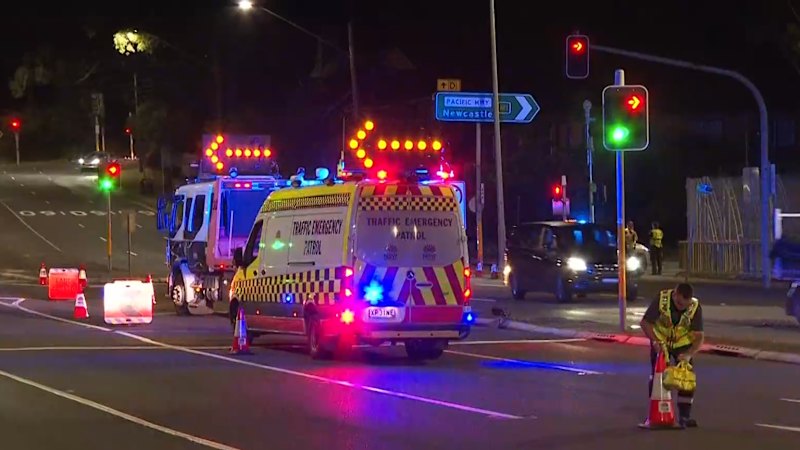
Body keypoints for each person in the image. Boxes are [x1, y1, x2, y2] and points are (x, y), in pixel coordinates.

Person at [640, 283, 704, 428]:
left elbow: (699, 336)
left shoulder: (694, 307)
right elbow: (645, 323)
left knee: (686, 380)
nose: (681, 307)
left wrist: (689, 354)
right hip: (661, 343)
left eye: (685, 305)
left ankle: (684, 417)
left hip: (682, 344)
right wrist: (655, 341)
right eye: (679, 303)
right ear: (675, 295)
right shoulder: (661, 300)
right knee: (658, 379)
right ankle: (656, 413)